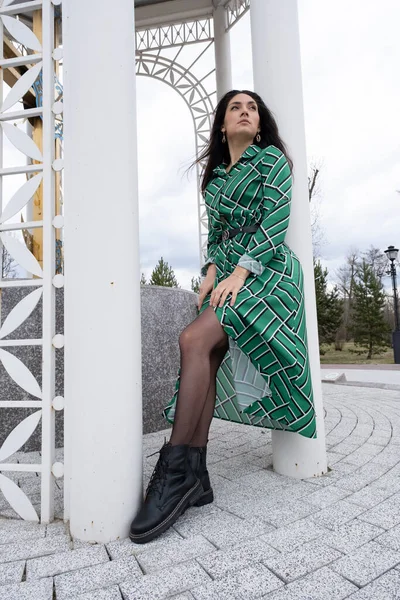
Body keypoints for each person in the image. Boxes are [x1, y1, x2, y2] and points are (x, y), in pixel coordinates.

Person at [130, 89, 317, 545]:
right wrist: (213, 271)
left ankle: (175, 468)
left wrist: (240, 271)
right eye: (236, 106)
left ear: (259, 122)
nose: (246, 112)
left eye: (252, 108)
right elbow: (215, 232)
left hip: (268, 271)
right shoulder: (214, 181)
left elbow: (276, 217)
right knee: (206, 353)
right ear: (222, 124)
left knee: (193, 340)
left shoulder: (271, 159)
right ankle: (196, 474)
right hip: (230, 274)